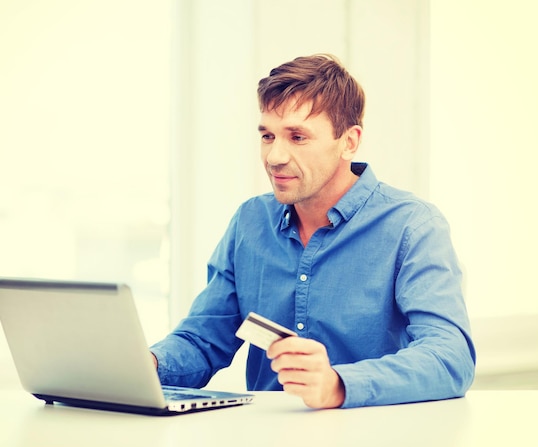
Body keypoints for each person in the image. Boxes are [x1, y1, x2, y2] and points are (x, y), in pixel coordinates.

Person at [150, 53, 476, 409]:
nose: (275, 156)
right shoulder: (250, 222)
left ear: (349, 142)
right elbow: (203, 340)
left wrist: (338, 385)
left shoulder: (413, 226)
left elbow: (450, 357)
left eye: (297, 137)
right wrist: (147, 366)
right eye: (268, 135)